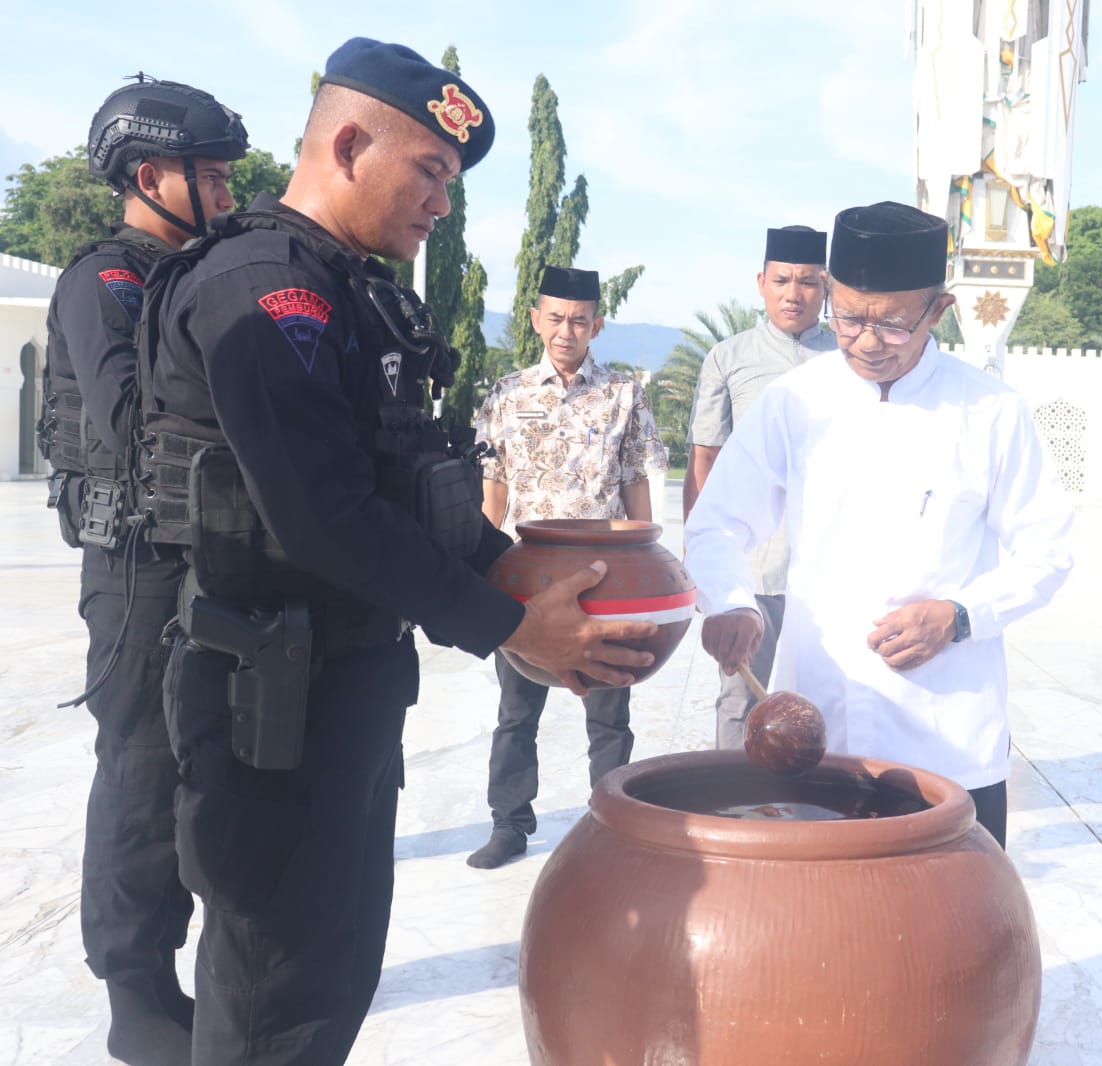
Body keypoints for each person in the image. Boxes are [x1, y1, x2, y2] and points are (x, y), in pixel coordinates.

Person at [142, 39, 656, 1064]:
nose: (442, 206)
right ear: (346, 142)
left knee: (326, 979)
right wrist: (509, 625)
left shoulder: (353, 293)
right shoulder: (264, 289)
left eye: (452, 184)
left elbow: (416, 490)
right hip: (267, 711)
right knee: (274, 999)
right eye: (429, 171)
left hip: (339, 695)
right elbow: (321, 513)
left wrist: (527, 574)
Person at [683, 201, 1076, 848]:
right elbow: (719, 521)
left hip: (946, 733)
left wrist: (960, 614)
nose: (867, 341)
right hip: (818, 729)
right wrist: (731, 601)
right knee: (820, 925)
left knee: (953, 932)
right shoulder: (796, 399)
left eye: (893, 324)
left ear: (937, 311)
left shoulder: (991, 411)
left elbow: (1049, 549)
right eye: (848, 317)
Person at [35, 76, 246, 1066]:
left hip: (197, 558)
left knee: (199, 766)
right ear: (150, 174)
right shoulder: (109, 279)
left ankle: (191, 968)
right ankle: (134, 989)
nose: (227, 193)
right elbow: (128, 421)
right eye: (209, 176)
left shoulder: (193, 274)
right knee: (138, 771)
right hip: (132, 568)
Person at [466, 265, 668, 870]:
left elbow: (635, 485)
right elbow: (493, 489)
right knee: (516, 710)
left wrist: (647, 558)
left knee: (609, 708)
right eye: (555, 317)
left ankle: (613, 824)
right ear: (535, 319)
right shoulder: (508, 394)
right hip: (525, 576)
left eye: (579, 319)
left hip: (604, 578)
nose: (566, 330)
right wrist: (481, 569)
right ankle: (509, 823)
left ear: (597, 325)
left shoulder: (623, 394)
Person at [683, 224, 833, 750]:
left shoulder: (849, 359)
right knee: (741, 698)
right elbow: (704, 458)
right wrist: (702, 564)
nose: (794, 294)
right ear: (761, 283)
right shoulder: (728, 357)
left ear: (827, 286)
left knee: (827, 697)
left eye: (809, 282)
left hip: (828, 569)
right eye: (783, 280)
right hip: (753, 572)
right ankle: (733, 811)